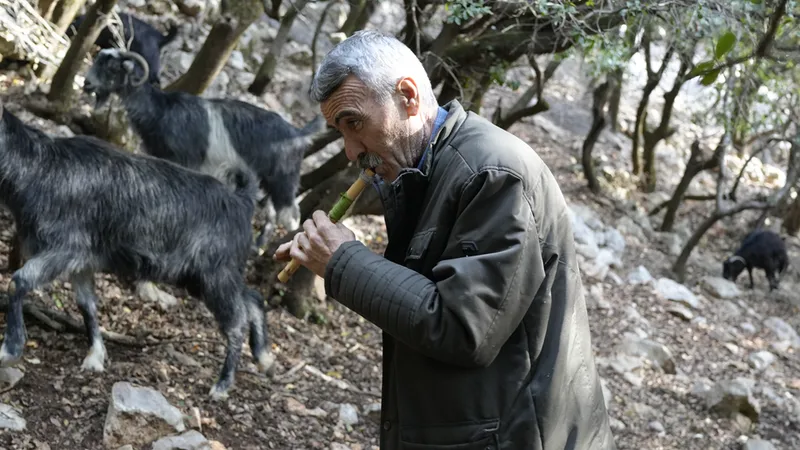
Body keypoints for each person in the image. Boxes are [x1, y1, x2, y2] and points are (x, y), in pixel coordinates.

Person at [274, 29, 617, 450]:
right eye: (339, 130)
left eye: (354, 123)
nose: (349, 150)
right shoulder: (425, 170)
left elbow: (464, 327)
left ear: (408, 96)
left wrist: (342, 261)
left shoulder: (493, 174)